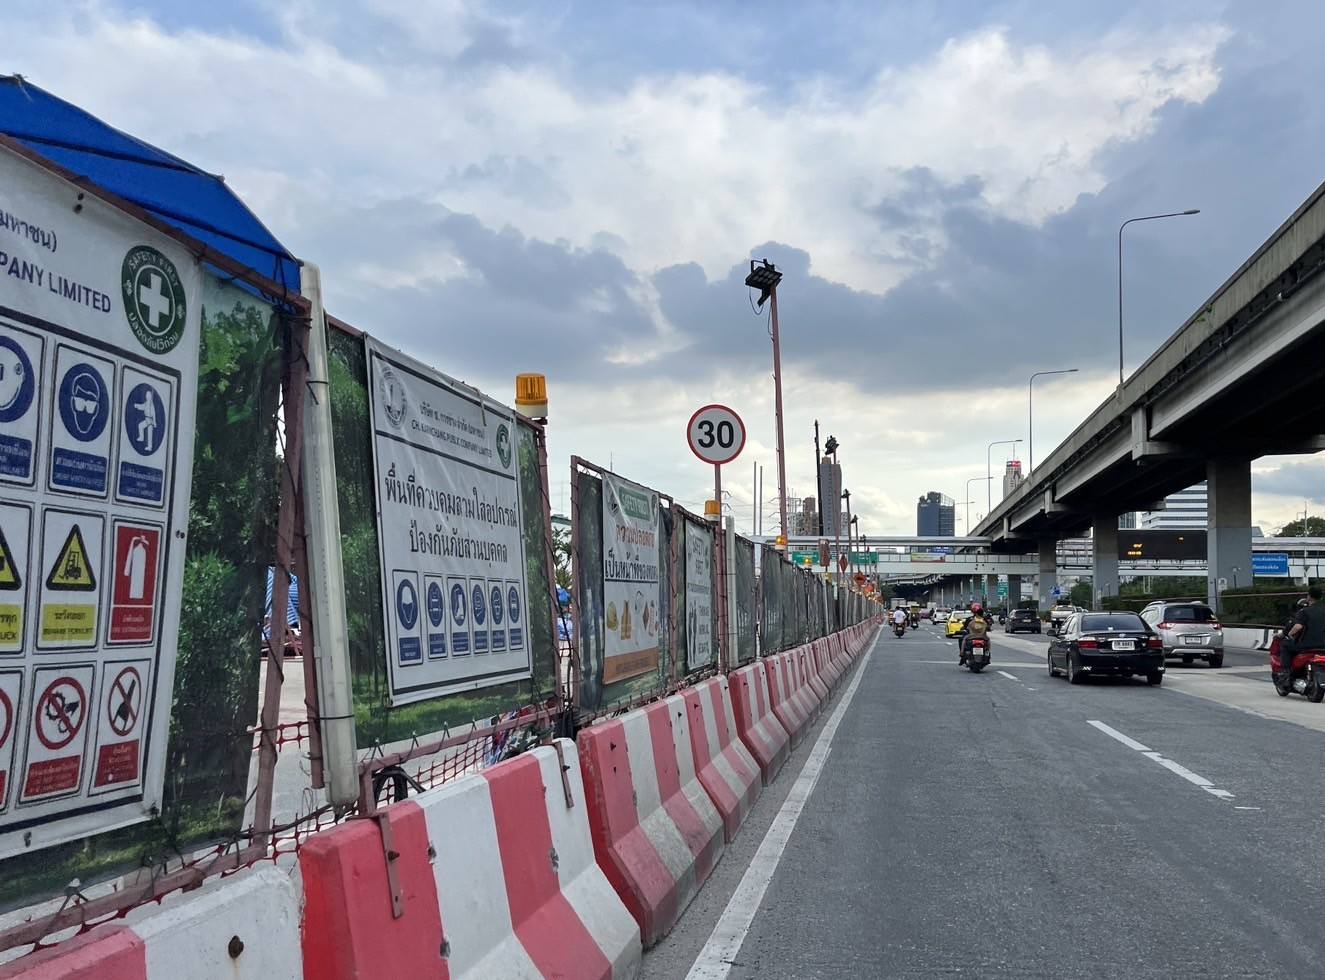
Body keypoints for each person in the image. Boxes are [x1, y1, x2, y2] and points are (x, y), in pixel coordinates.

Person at [1280, 587, 1325, 684]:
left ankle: (1286, 672)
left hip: (1307, 645)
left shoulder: (1304, 611)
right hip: (1323, 645)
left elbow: (1298, 626)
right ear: (1321, 597)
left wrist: (1290, 634)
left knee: (1285, 645)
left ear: (1309, 597)